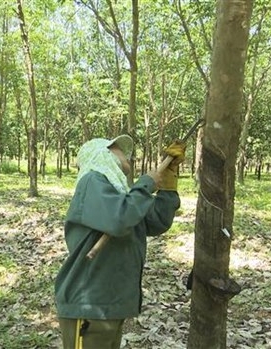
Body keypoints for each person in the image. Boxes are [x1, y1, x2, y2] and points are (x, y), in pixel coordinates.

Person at [54, 134, 186, 349]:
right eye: (118, 149)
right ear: (101, 155)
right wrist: (145, 185)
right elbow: (120, 220)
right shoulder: (92, 181)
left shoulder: (119, 195)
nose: (127, 156)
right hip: (89, 303)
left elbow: (156, 221)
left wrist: (168, 181)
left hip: (109, 304)